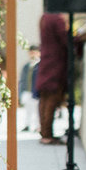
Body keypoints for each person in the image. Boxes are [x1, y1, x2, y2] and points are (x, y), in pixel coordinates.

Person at [36, 13, 68, 144]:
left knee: (44, 99)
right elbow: (66, 40)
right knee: (51, 99)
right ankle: (47, 135)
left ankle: (45, 132)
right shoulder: (56, 19)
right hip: (55, 64)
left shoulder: (45, 17)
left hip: (46, 61)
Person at [19, 44, 40, 132]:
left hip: (36, 91)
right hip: (27, 91)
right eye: (31, 53)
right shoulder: (26, 66)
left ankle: (37, 126)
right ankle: (27, 124)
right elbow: (22, 79)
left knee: (37, 110)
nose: (32, 54)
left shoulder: (39, 65)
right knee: (28, 109)